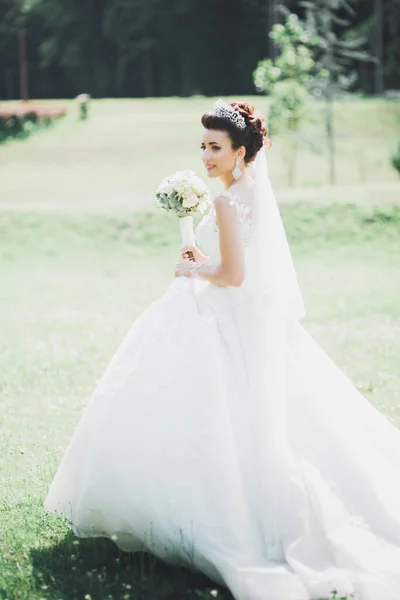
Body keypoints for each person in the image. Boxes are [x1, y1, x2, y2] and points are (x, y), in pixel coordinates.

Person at [44, 100, 400, 600]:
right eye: (203, 146)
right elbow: (238, 264)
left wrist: (192, 268)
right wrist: (204, 257)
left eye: (215, 148)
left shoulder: (232, 201)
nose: (206, 157)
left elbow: (233, 276)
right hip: (249, 320)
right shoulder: (245, 192)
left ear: (240, 151)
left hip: (228, 321)